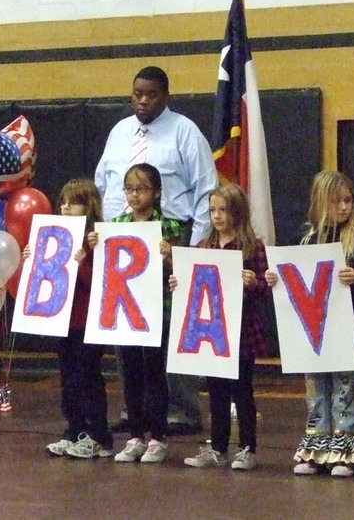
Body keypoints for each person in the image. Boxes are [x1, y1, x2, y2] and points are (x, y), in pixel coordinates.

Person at [95, 66, 217, 436]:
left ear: (165, 95)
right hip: (124, 245)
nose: (142, 101)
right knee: (128, 328)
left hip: (170, 241)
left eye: (150, 95)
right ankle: (137, 409)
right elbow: (105, 184)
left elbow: (206, 189)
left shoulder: (185, 131)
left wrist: (193, 247)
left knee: (169, 330)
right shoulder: (119, 133)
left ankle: (182, 408)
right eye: (136, 94)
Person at [265, 171, 354, 477]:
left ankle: (344, 450)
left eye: (348, 201)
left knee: (344, 389)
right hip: (312, 329)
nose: (343, 207)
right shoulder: (308, 238)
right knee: (316, 390)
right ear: (320, 203)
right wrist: (276, 278)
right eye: (336, 201)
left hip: (346, 327)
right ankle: (317, 448)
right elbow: (294, 278)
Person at [87, 164, 188, 464]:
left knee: (154, 373)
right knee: (129, 373)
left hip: (155, 311)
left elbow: (181, 269)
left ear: (156, 192)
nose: (134, 194)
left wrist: (171, 254)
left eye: (141, 189)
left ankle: (158, 436)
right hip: (124, 312)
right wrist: (95, 245)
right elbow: (106, 266)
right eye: (129, 189)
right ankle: (135, 435)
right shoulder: (116, 223)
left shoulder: (168, 226)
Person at [176, 183, 268, 471]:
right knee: (216, 391)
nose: (217, 216)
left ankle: (248, 448)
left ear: (237, 212)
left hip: (241, 331)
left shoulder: (252, 247)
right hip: (213, 332)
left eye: (223, 210)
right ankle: (217, 447)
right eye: (213, 210)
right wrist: (178, 284)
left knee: (242, 391)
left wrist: (255, 283)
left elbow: (266, 285)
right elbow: (194, 283)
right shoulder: (205, 246)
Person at [37, 178, 113, 459]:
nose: (66, 207)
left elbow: (101, 282)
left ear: (89, 205)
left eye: (75, 202)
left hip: (87, 319)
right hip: (63, 319)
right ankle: (75, 430)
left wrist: (80, 262)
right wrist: (35, 258)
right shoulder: (57, 237)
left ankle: (99, 435)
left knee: (87, 376)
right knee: (68, 377)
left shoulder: (97, 239)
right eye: (63, 202)